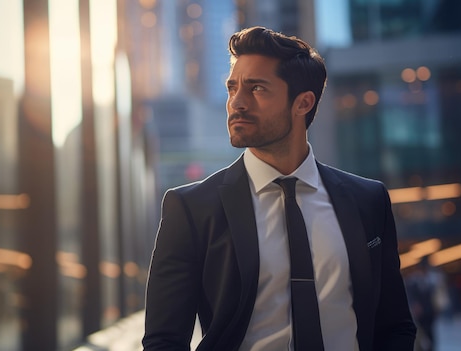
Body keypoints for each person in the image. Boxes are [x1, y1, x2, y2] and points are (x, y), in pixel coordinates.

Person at [142, 26, 416, 351]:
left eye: (256, 88)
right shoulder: (191, 209)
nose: (237, 103)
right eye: (232, 88)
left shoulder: (367, 201)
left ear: (302, 103)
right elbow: (163, 341)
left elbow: (395, 325)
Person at [405, 258, 438, 351]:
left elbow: (434, 296)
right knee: (420, 332)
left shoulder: (431, 280)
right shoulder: (413, 281)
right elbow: (411, 295)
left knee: (430, 331)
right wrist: (415, 305)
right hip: (419, 312)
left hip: (429, 311)